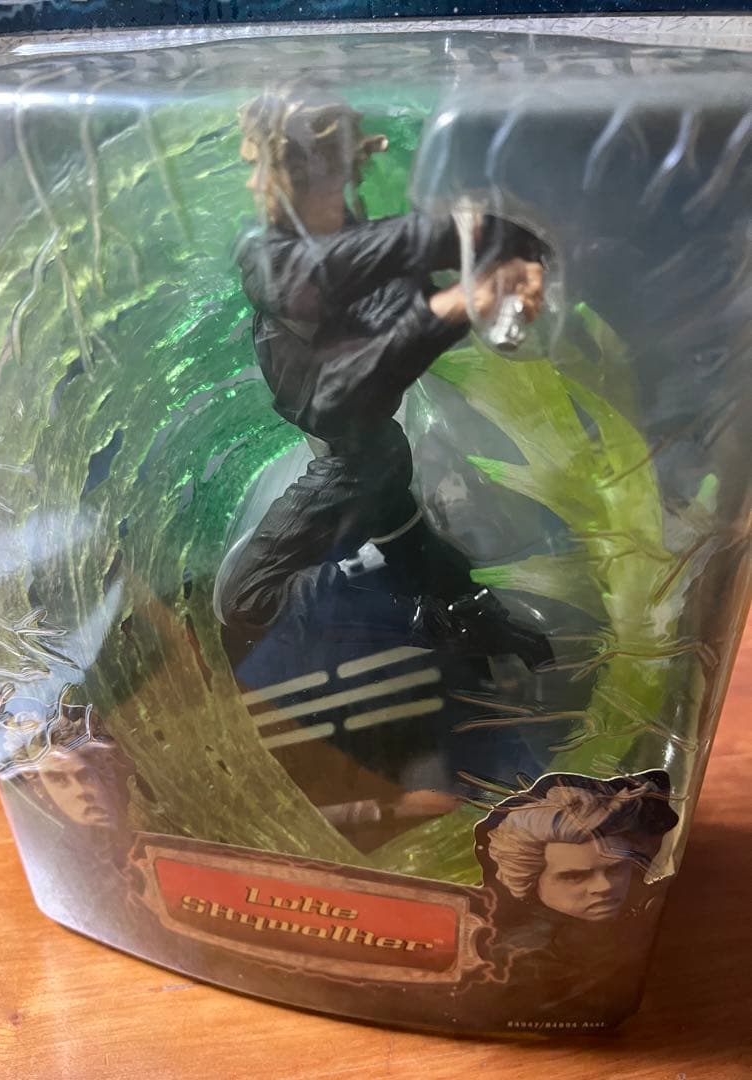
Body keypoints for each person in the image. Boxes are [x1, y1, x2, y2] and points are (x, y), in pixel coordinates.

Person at [219, 88, 551, 676]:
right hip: (375, 459)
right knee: (412, 553)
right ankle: (485, 623)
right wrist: (467, 251)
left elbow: (341, 393)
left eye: (262, 165)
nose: (252, 183)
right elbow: (330, 272)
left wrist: (466, 287)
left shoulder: (310, 260)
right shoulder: (296, 257)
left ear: (311, 171)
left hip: (353, 467)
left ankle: (421, 623)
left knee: (247, 600)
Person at [474, 771, 679, 1022]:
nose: (603, 887)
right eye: (574, 877)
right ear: (530, 879)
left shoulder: (640, 924)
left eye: (615, 869)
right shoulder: (528, 960)